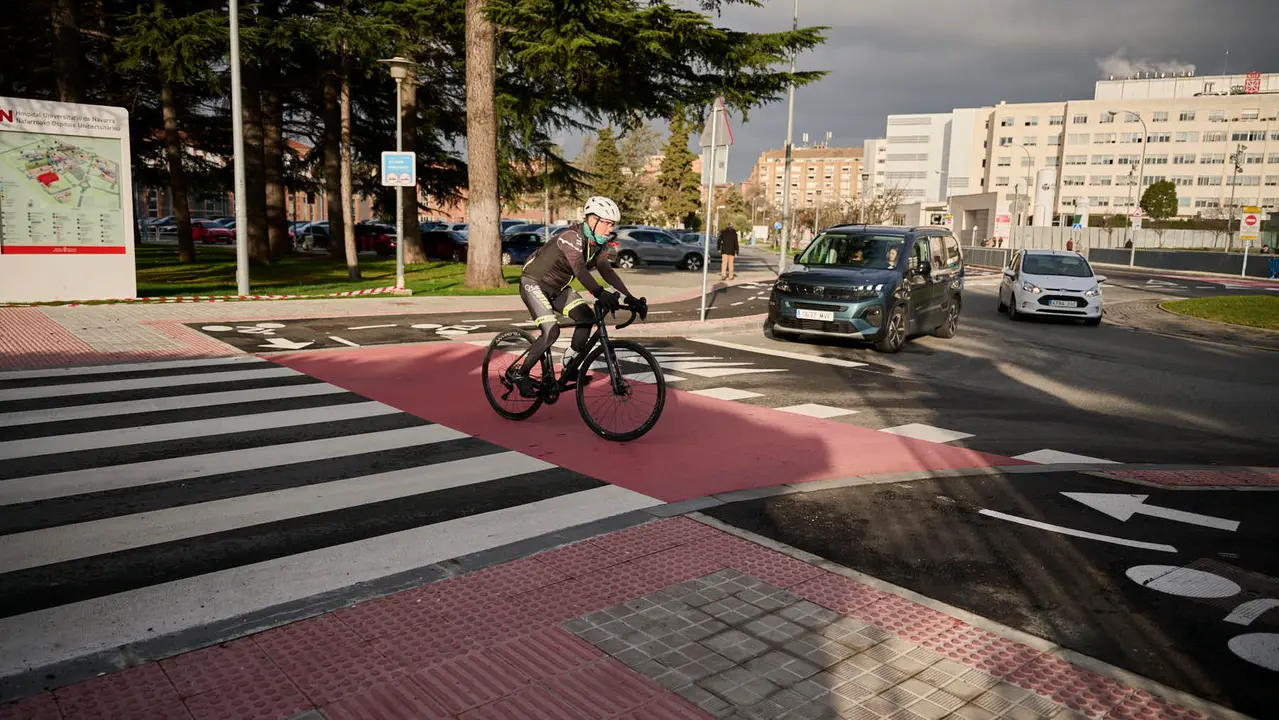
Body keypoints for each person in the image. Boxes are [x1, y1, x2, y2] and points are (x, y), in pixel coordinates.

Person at [511, 196, 647, 398]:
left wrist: (630, 297)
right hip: (533, 282)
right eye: (607, 223)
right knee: (551, 332)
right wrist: (600, 293)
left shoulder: (598, 246)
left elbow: (607, 272)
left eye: (612, 224)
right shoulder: (571, 237)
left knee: (587, 317)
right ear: (592, 220)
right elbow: (580, 270)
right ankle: (520, 374)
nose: (610, 228)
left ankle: (570, 363)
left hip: (558, 288)